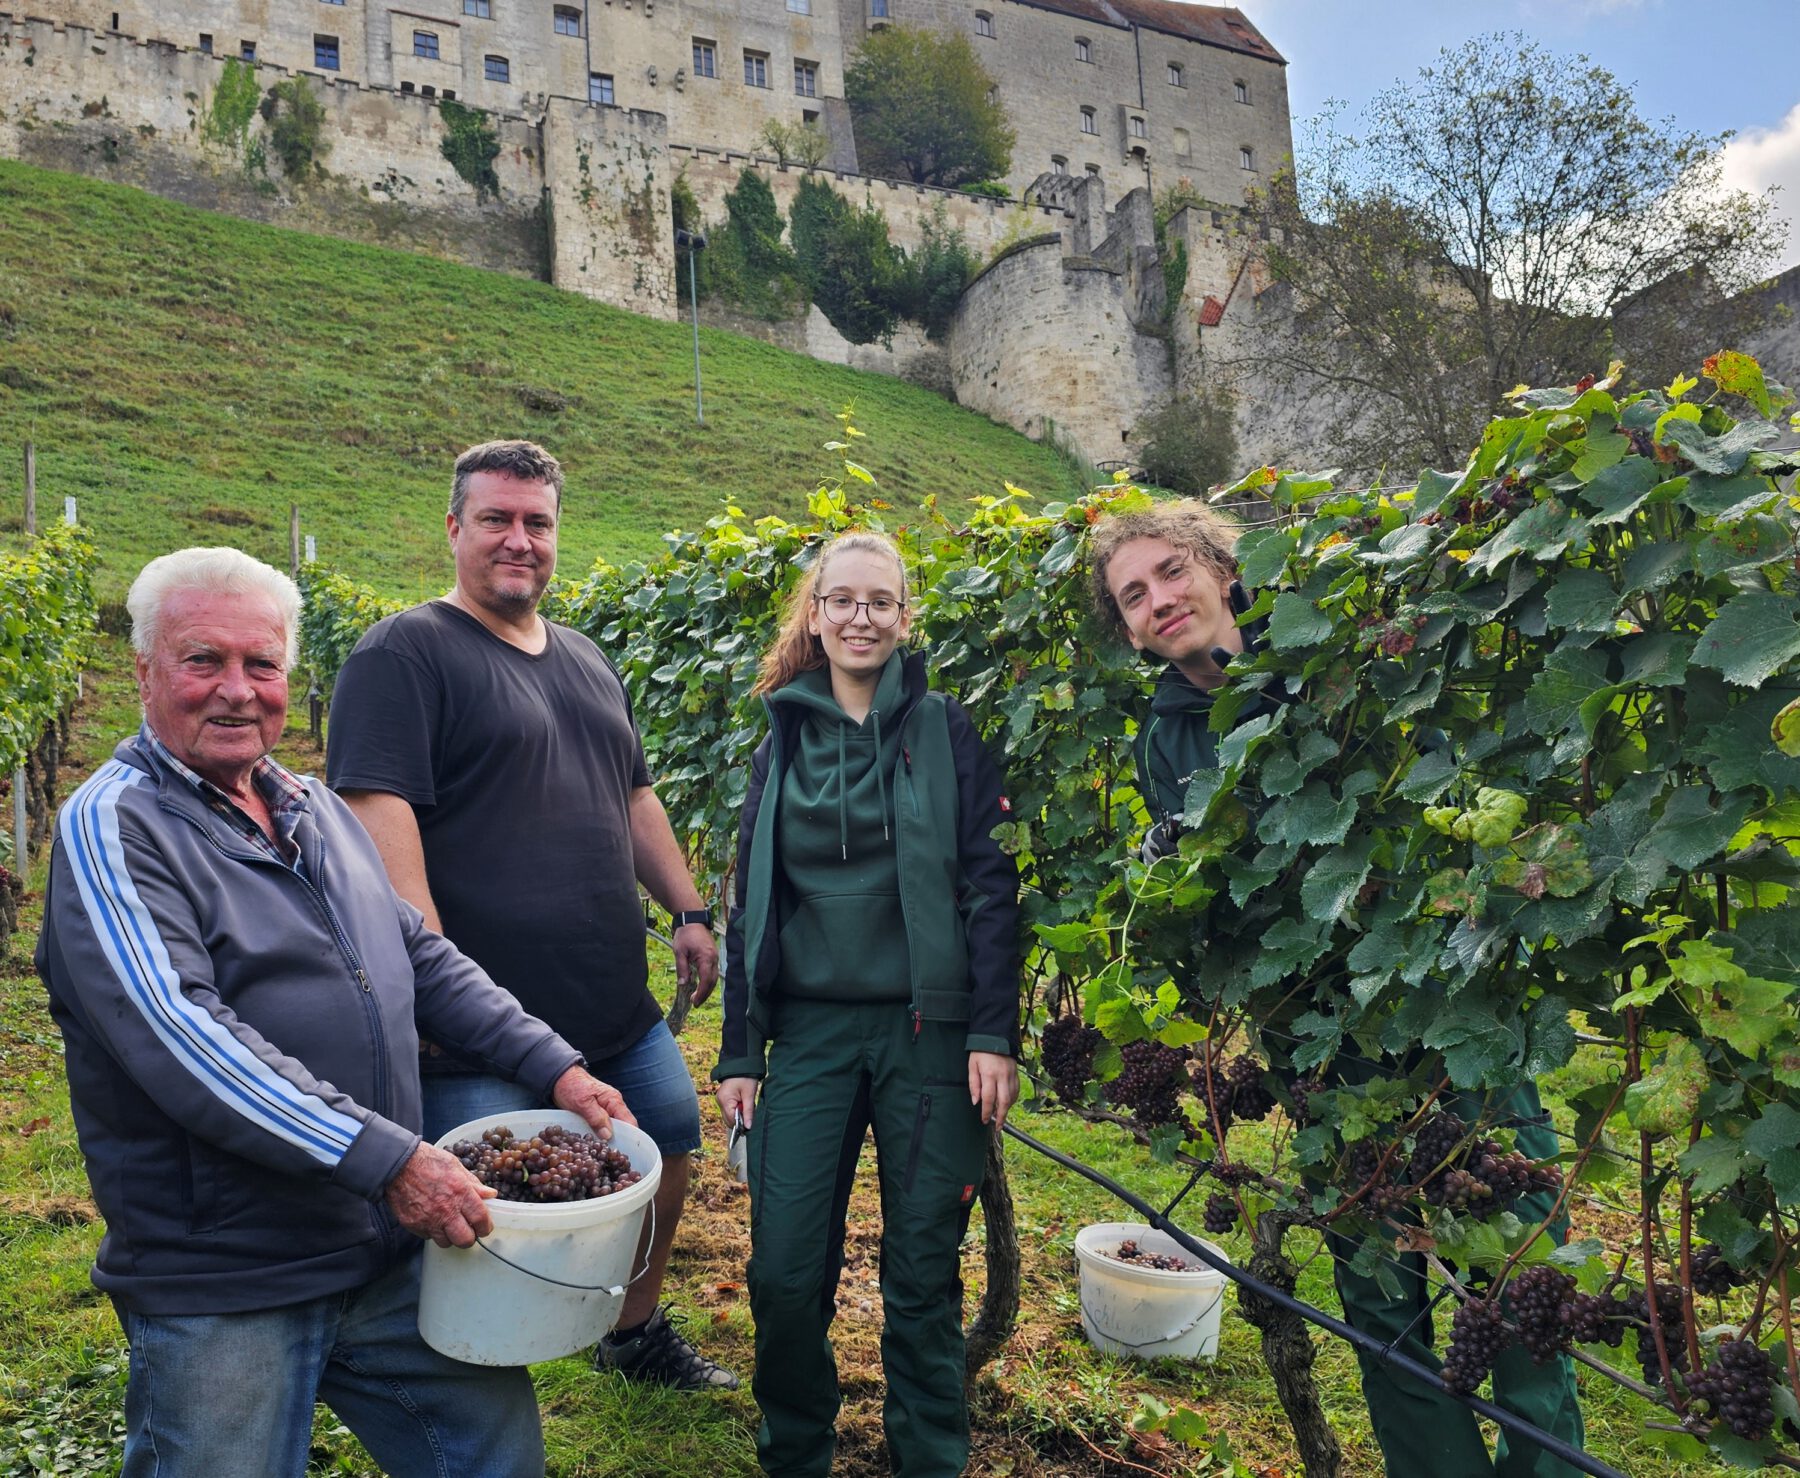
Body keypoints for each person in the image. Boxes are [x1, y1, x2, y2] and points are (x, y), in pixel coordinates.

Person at [36, 546, 636, 1478]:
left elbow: (418, 956)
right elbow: (182, 1033)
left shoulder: (311, 807)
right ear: (145, 670)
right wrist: (392, 1160)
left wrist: (551, 1061)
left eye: (262, 664)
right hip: (229, 1275)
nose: (237, 690)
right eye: (203, 661)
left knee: (492, 1457)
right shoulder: (116, 825)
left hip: (378, 1251)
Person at [1088, 502, 1586, 1477]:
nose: (1158, 602)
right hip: (1325, 1043)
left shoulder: (1338, 657)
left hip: (1451, 1018)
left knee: (1522, 1277)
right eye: (1133, 597)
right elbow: (1220, 922)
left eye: (1170, 573)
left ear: (1225, 571)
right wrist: (1174, 877)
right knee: (1379, 1298)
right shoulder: (1165, 738)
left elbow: (1442, 797)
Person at [325, 439, 734, 1391]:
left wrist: (688, 905)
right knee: (480, 1211)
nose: (520, 540)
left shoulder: (587, 658)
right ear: (454, 528)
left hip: (612, 1009)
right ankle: (466, 1392)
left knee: (667, 1148)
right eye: (497, 519)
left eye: (537, 522)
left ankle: (630, 1334)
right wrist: (433, 996)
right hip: (480, 1028)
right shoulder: (405, 653)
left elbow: (633, 797)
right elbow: (383, 832)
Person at [713, 531, 1022, 1477]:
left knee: (923, 1272)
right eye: (841, 600)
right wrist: (738, 1047)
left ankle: (928, 1456)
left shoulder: (946, 727)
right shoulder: (783, 730)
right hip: (807, 1032)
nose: (860, 617)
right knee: (784, 1269)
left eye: (879, 601)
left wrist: (993, 1030)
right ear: (815, 613)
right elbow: (754, 896)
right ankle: (795, 1451)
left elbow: (990, 883)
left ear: (903, 616)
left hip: (927, 1036)